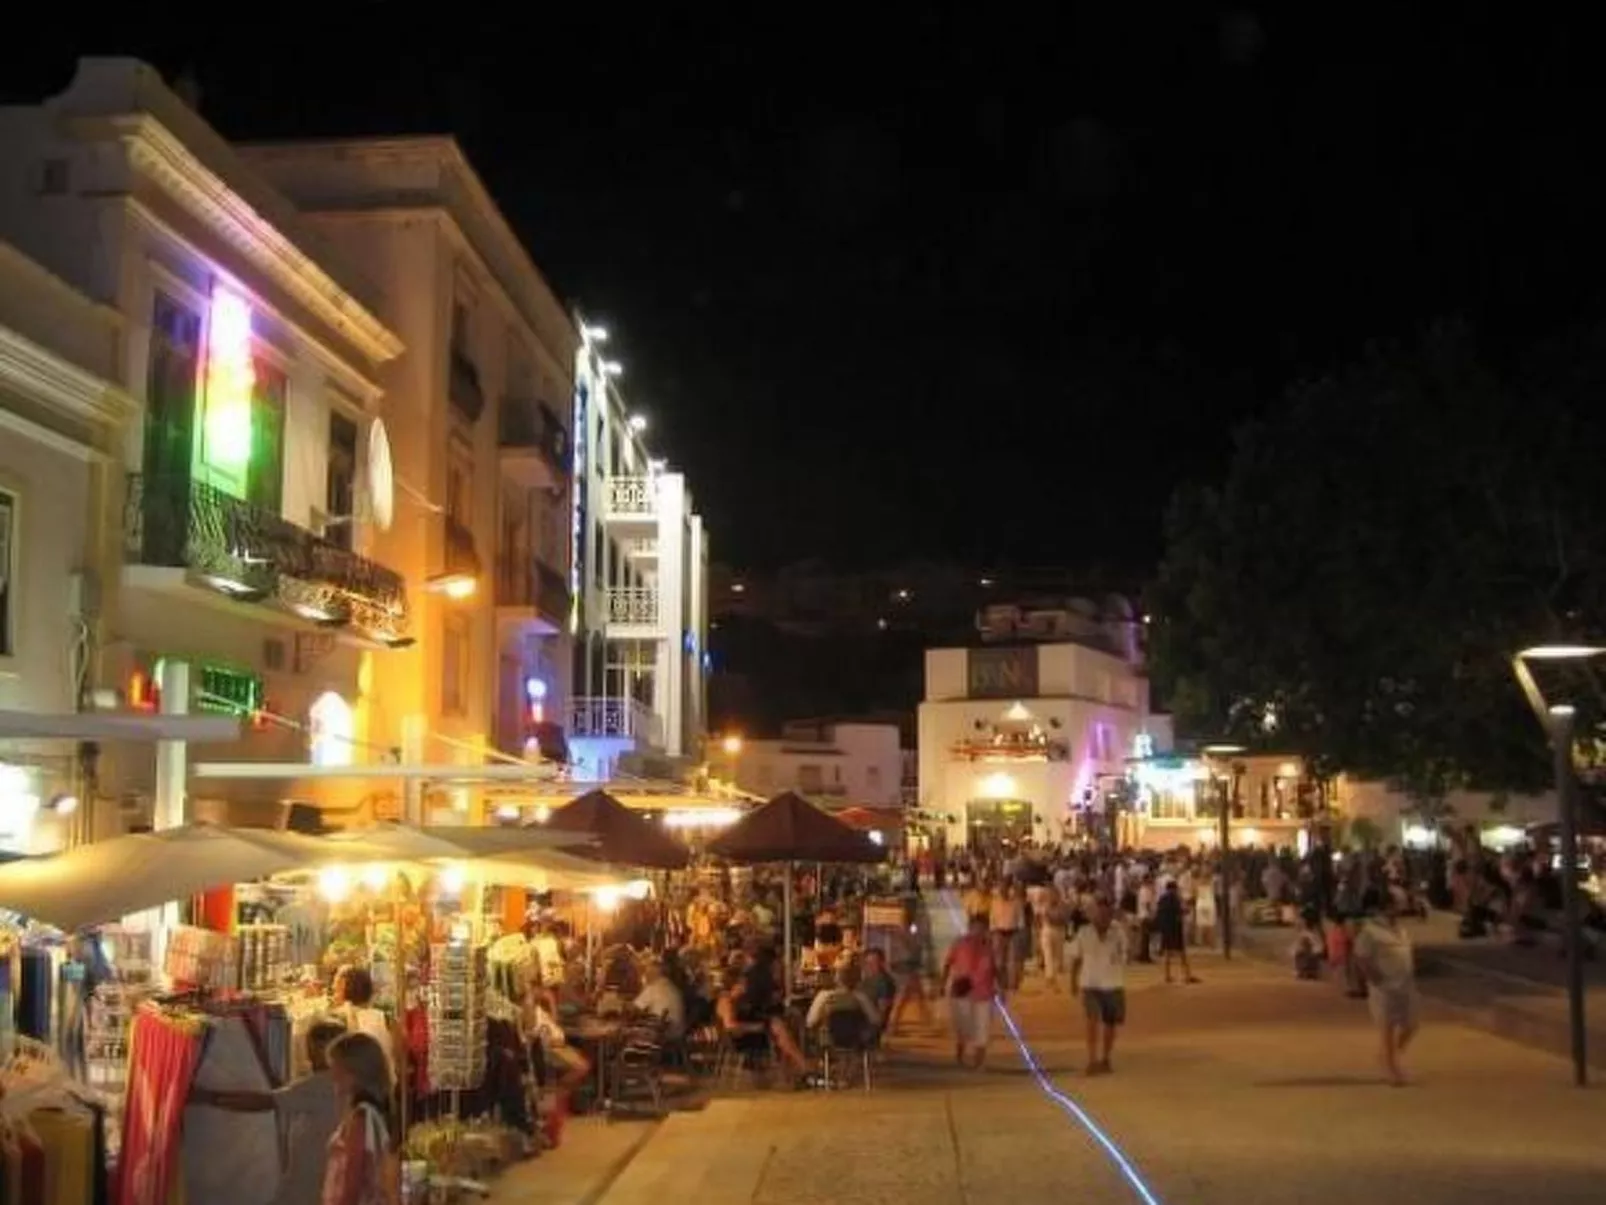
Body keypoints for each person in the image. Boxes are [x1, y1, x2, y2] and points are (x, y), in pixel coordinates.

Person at [270, 1020, 347, 1205]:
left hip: (312, 1183)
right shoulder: (347, 1080)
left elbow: (264, 1101)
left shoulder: (318, 1084)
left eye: (312, 1048)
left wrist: (209, 1097)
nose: (309, 1054)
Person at [321, 1031, 399, 1205]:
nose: (332, 1074)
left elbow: (352, 1181)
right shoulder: (373, 1112)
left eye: (335, 1066)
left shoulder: (361, 1118)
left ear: (352, 1072)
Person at [1353, 889, 1419, 1086]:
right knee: (1387, 1028)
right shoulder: (1371, 931)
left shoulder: (1400, 929)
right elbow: (1361, 957)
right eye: (1399, 902)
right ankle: (1392, 1068)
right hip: (1385, 986)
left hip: (1406, 984)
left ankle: (1388, 1057)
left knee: (1411, 1024)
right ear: (1387, 906)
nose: (1402, 906)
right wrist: (1376, 979)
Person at [1068, 897, 1128, 1075]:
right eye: (1099, 914)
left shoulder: (1118, 933)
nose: (1103, 918)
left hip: (1113, 982)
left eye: (1107, 914)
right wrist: (1073, 981)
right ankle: (1092, 1059)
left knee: (1110, 1024)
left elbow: (1125, 953)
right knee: (1092, 1022)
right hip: (1090, 983)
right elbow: (1076, 960)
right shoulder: (1084, 932)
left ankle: (1106, 1058)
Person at [943, 915, 997, 1070]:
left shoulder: (989, 946)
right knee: (962, 1027)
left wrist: (1000, 986)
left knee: (982, 1029)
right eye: (975, 928)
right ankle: (960, 1057)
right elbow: (948, 963)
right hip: (962, 990)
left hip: (984, 991)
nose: (978, 932)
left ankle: (978, 1062)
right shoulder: (959, 943)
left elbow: (995, 968)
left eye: (981, 928)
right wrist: (942, 982)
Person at [1154, 881, 1200, 985]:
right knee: (1181, 952)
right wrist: (1189, 908)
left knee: (1167, 952)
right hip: (1175, 928)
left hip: (1166, 929)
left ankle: (1167, 976)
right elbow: (1181, 911)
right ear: (1174, 889)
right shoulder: (1175, 898)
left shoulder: (1162, 899)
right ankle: (1187, 976)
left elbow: (1159, 913)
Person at [632, 956, 687, 1039]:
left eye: (647, 972)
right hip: (676, 1032)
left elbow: (634, 1009)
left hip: (662, 1034)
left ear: (653, 974)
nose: (645, 976)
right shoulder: (671, 986)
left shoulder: (653, 987)